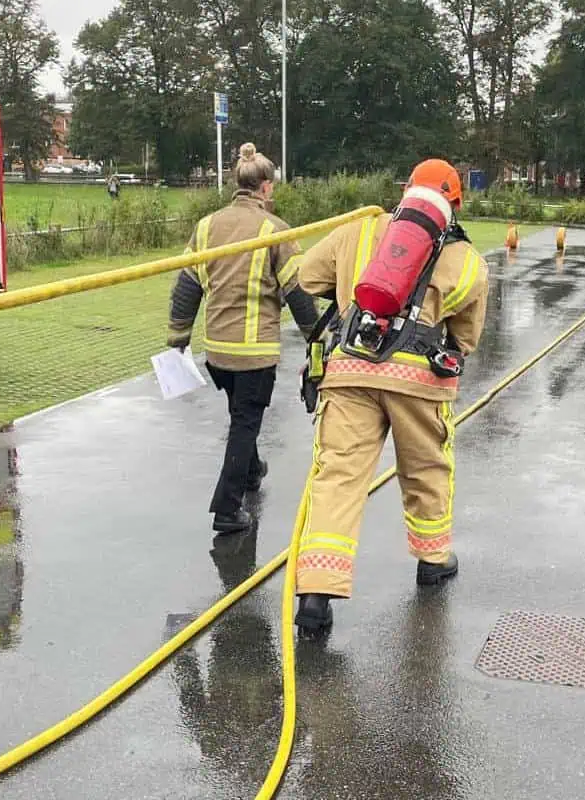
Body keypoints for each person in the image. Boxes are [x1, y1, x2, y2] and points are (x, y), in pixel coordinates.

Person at [291, 158, 489, 637]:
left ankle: (317, 591)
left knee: (338, 477)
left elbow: (305, 279)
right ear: (456, 204)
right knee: (426, 469)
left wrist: (349, 296)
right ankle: (433, 561)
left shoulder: (357, 231)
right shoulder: (467, 260)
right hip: (420, 384)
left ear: (405, 191)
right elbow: (465, 339)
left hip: (349, 372)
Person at [167, 143, 319, 534]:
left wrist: (178, 338)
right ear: (266, 187)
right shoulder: (275, 230)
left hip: (217, 352)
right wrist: (316, 340)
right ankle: (227, 508)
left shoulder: (207, 226)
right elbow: (298, 293)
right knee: (245, 422)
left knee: (240, 413)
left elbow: (187, 285)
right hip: (255, 353)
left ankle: (252, 471)